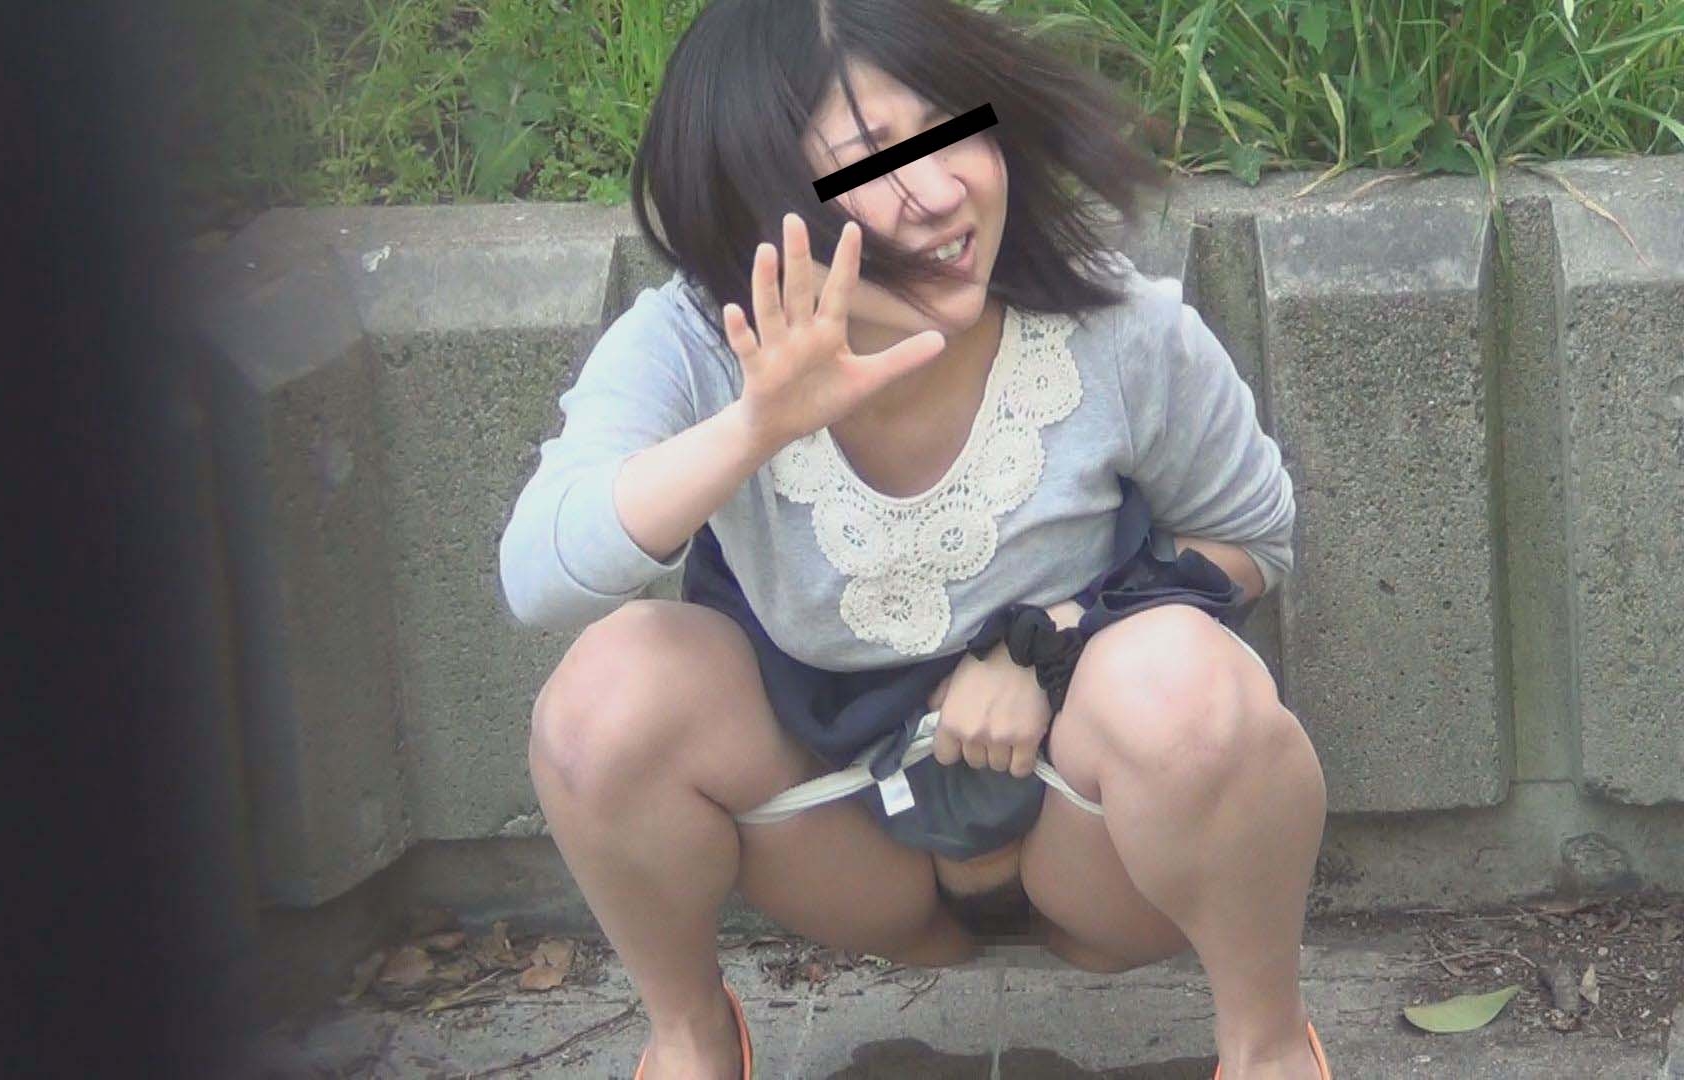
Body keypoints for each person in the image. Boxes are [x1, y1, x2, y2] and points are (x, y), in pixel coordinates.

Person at [497, 1, 1330, 1077]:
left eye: (950, 132)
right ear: (759, 199)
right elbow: (539, 574)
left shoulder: (1114, 327)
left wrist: (1052, 641)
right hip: (841, 835)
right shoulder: (696, 342)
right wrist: (756, 427)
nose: (936, 192)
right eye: (868, 165)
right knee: (599, 703)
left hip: (1089, 841)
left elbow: (1254, 535)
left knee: (1189, 680)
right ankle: (692, 1038)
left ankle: (1269, 1048)